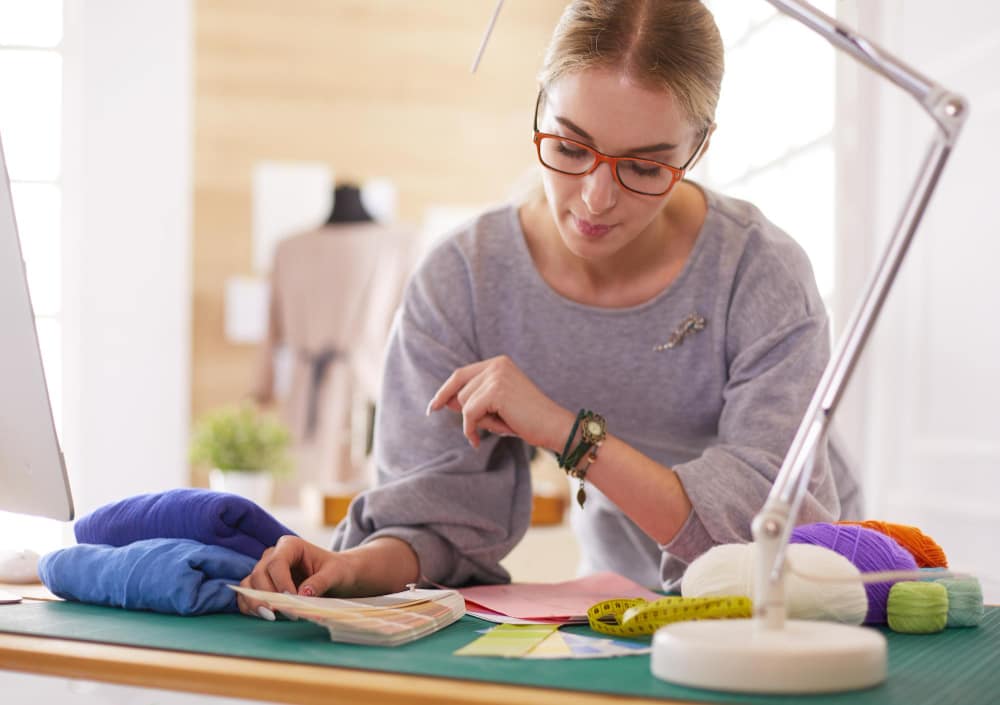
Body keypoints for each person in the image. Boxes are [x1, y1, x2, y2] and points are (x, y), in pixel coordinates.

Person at [237, 0, 861, 616]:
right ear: (540, 106)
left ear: (697, 149)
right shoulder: (463, 282)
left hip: (798, 592)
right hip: (623, 592)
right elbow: (431, 524)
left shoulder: (761, 273)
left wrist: (568, 435)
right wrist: (350, 568)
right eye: (569, 148)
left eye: (644, 167)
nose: (595, 199)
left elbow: (769, 537)